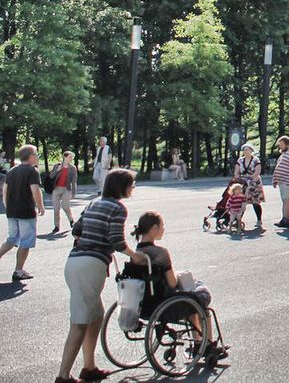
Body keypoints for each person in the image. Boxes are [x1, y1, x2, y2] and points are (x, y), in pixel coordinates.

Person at [56, 168, 146, 383]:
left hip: (75, 262)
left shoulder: (94, 203)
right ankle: (62, 377)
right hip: (91, 265)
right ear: (122, 186)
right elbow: (117, 240)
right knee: (79, 322)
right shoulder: (117, 207)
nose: (133, 188)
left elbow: (77, 230)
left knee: (96, 315)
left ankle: (89, 367)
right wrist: (136, 256)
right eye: (131, 184)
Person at [128, 211, 225, 364]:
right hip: (165, 305)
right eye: (162, 226)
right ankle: (205, 345)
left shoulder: (137, 255)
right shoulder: (161, 253)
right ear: (154, 229)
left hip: (145, 306)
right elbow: (172, 283)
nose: (164, 229)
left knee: (191, 301)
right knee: (200, 296)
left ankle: (198, 343)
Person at [1, 144, 44, 282]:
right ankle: (19, 271)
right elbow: (35, 190)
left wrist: (7, 205)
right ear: (31, 156)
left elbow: (5, 191)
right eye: (36, 154)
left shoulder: (12, 171)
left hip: (12, 210)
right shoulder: (32, 171)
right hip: (26, 211)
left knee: (12, 239)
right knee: (25, 242)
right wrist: (40, 206)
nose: (37, 157)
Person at [233, 144, 266, 228]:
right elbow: (236, 171)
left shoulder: (255, 160)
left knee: (255, 202)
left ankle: (259, 220)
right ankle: (238, 220)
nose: (246, 151)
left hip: (254, 183)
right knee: (241, 201)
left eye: (247, 149)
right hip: (243, 183)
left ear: (251, 150)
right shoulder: (240, 160)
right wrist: (237, 178)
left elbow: (258, 171)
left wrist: (251, 177)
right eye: (244, 150)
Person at [49, 151, 79, 233]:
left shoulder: (73, 168)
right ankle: (56, 226)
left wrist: (73, 192)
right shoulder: (57, 166)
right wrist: (56, 171)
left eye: (72, 157)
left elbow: (74, 181)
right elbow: (51, 176)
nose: (71, 159)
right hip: (56, 189)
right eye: (70, 157)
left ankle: (71, 220)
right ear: (65, 157)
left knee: (65, 206)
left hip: (66, 189)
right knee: (56, 209)